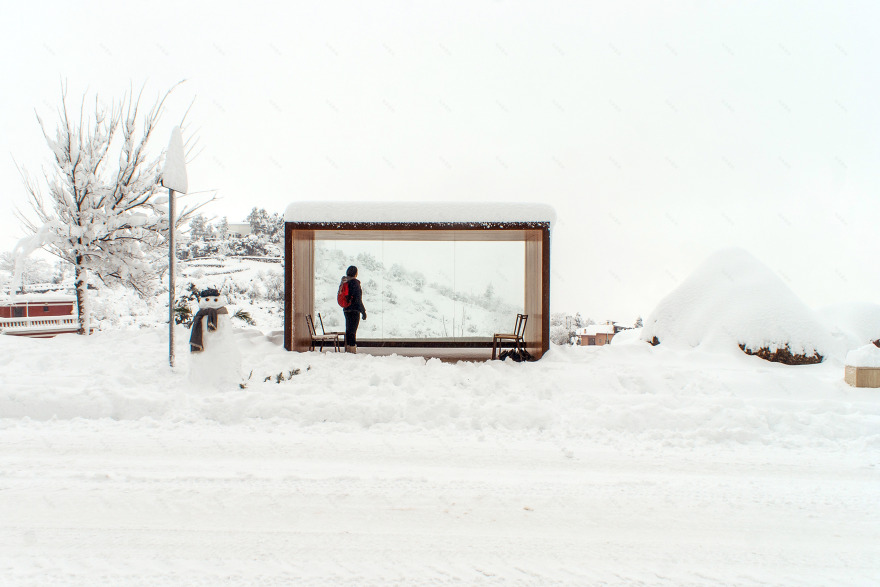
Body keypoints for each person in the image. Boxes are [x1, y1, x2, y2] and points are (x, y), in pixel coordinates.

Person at [340, 265, 367, 353]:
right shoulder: (355, 283)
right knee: (353, 330)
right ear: (355, 273)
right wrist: (363, 311)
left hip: (346, 309)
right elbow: (358, 299)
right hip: (354, 309)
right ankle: (352, 350)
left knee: (348, 329)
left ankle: (348, 349)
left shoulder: (345, 282)